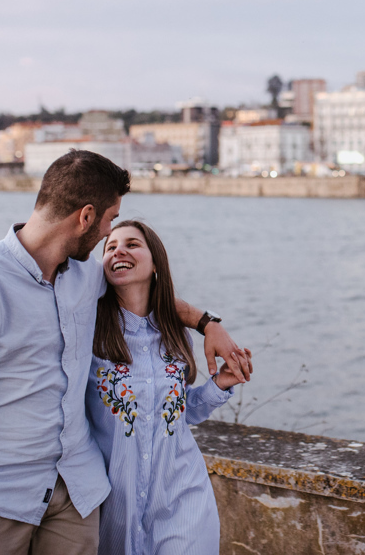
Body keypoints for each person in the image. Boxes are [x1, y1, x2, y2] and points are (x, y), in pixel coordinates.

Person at [0, 150, 251, 555]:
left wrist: (207, 323)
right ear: (86, 217)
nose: (111, 236)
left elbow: (150, 293)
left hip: (76, 493)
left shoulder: (88, 274)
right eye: (110, 221)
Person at [89, 220, 248, 555]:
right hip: (114, 506)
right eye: (110, 246)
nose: (119, 250)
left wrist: (219, 384)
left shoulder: (175, 336)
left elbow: (178, 413)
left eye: (132, 244)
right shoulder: (88, 331)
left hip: (182, 497)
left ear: (155, 262)